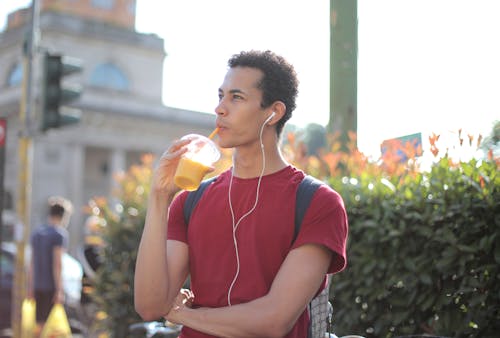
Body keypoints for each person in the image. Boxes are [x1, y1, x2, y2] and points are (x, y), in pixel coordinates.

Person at [134, 50, 348, 338]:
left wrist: (181, 314)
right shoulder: (190, 199)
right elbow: (149, 305)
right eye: (220, 96)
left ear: (274, 112)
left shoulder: (317, 202)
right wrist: (159, 198)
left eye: (236, 97)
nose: (220, 109)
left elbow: (273, 321)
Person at [28, 196, 72, 335]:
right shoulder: (59, 234)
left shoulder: (37, 233)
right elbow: (57, 264)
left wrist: (30, 286)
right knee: (50, 328)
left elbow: (31, 263)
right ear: (63, 216)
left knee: (38, 324)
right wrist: (59, 290)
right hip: (50, 286)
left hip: (37, 286)